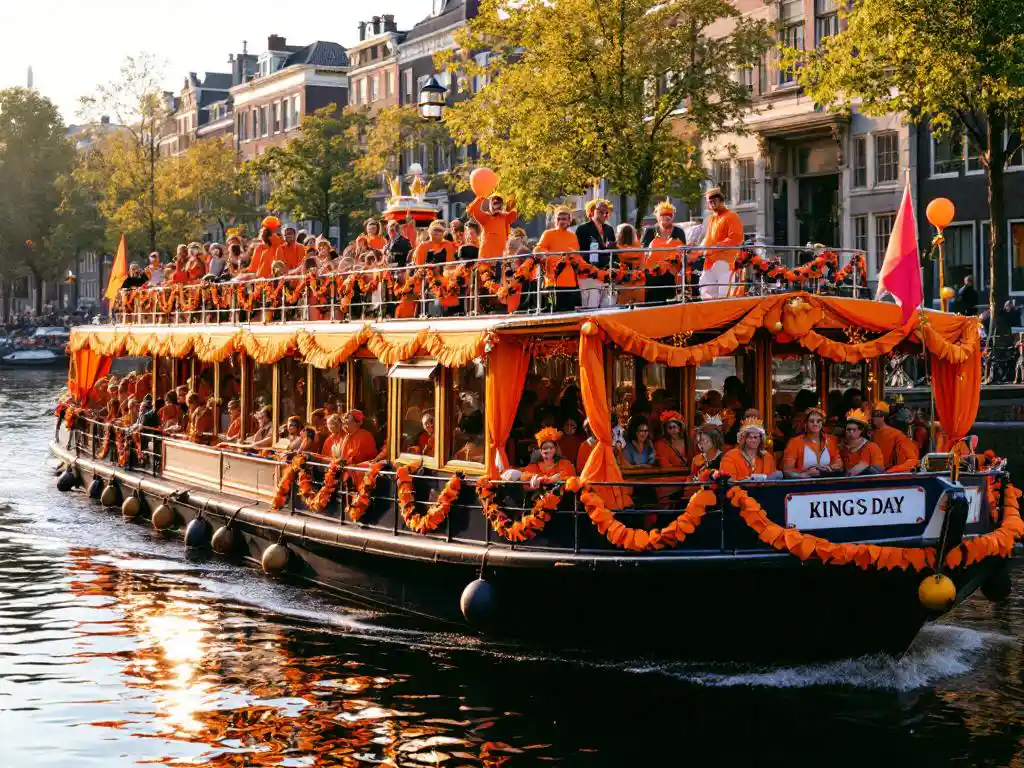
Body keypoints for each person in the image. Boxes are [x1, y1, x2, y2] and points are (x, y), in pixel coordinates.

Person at [699, 187, 744, 300]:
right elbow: (708, 239)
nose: (712, 203)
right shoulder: (712, 219)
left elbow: (737, 238)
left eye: (714, 200)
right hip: (709, 263)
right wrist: (696, 249)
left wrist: (718, 246)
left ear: (721, 200)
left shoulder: (731, 216)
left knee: (724, 297)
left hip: (725, 263)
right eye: (709, 201)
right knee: (705, 295)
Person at [534, 205, 581, 312]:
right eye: (558, 219)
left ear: (569, 221)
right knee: (554, 311)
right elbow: (538, 249)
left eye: (564, 219)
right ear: (555, 220)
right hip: (553, 281)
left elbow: (577, 256)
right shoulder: (548, 234)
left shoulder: (573, 236)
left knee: (569, 312)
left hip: (571, 282)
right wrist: (548, 255)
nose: (561, 221)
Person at [642, 200, 686, 304]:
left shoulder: (678, 232)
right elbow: (642, 250)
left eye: (668, 219)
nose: (665, 222)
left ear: (672, 218)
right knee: (653, 301)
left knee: (670, 301)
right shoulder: (650, 231)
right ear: (658, 218)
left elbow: (684, 252)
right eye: (663, 219)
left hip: (671, 274)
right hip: (652, 274)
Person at [575, 199, 616, 308]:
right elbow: (579, 252)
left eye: (607, 212)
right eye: (601, 211)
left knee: (607, 306)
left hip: (606, 273)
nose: (604, 214)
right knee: (591, 306)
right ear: (592, 211)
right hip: (589, 274)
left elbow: (614, 251)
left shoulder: (609, 229)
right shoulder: (582, 229)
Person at [782, 407, 842, 478]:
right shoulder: (794, 442)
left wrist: (829, 468)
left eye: (818, 421)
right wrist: (804, 474)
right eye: (811, 421)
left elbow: (839, 464)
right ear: (806, 423)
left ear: (822, 423)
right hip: (803, 484)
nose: (815, 424)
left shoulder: (830, 440)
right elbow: (787, 471)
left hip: (827, 482)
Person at [468, 192, 518, 267]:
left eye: (498, 202)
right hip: (485, 258)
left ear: (501, 205)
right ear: (490, 205)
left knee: (500, 277)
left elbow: (513, 214)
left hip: (501, 258)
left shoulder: (505, 217)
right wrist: (481, 197)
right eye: (493, 202)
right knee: (485, 277)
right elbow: (475, 211)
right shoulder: (486, 217)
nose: (496, 204)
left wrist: (511, 200)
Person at [870, 400, 920, 472]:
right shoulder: (874, 434)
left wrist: (891, 471)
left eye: (874, 415)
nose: (872, 418)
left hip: (889, 473)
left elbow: (912, 460)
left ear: (882, 417)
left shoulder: (897, 435)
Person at [654, 410, 690, 503]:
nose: (672, 430)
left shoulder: (688, 441)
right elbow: (665, 466)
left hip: (688, 479)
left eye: (674, 427)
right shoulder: (661, 444)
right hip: (671, 480)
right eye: (669, 427)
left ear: (680, 427)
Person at [840, 408, 884, 475]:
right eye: (848, 430)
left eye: (854, 430)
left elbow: (878, 470)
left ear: (861, 430)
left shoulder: (871, 447)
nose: (851, 432)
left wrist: (864, 468)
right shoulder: (841, 447)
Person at [615, 223, 645, 305]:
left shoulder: (616, 249)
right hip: (639, 285)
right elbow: (643, 266)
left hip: (622, 285)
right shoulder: (640, 249)